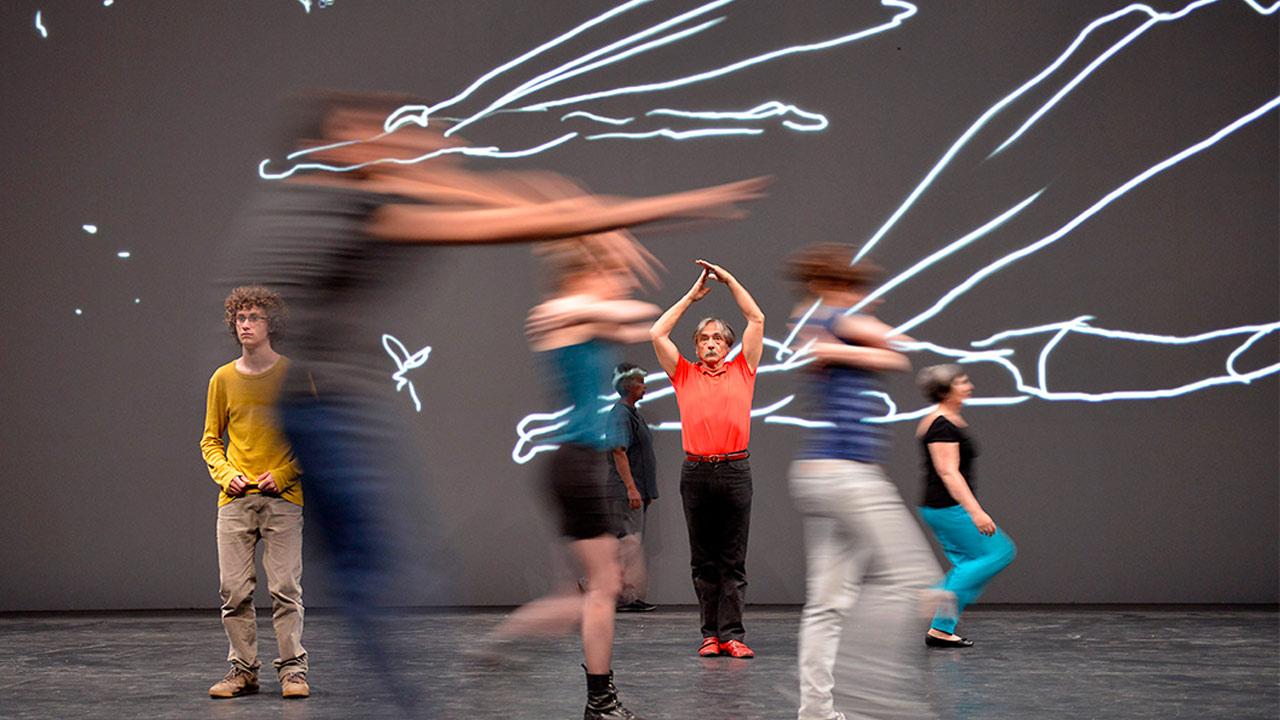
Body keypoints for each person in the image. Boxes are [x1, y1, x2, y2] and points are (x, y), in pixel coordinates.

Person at [226, 89, 766, 712]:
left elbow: (482, 198)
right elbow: (497, 217)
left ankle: (484, 675)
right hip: (330, 410)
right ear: (337, 141)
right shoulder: (354, 207)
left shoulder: (360, 199)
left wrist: (573, 203)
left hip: (341, 409)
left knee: (410, 584)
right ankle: (581, 696)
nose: (407, 143)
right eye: (381, 132)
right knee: (388, 584)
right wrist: (653, 209)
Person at [494, 245, 663, 719]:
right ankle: (601, 703)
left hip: (577, 466)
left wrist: (616, 259)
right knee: (604, 586)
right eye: (604, 273)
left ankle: (502, 643)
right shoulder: (563, 311)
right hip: (577, 466)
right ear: (584, 276)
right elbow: (633, 312)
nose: (614, 280)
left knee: (579, 594)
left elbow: (631, 317)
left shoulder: (584, 317)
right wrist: (620, 260)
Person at [785, 244, 940, 720]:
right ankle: (877, 698)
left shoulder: (821, 320)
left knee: (827, 604)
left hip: (818, 474)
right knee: (918, 579)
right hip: (847, 474)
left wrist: (832, 343)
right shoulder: (835, 315)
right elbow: (896, 351)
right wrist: (846, 334)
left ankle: (816, 711)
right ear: (844, 285)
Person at [199, 286, 309, 700]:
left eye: (254, 318)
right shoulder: (223, 379)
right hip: (235, 500)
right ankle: (242, 670)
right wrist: (227, 475)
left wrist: (282, 475)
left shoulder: (293, 376)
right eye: (240, 318)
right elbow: (210, 439)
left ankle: (293, 672)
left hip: (283, 500)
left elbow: (313, 441)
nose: (245, 324)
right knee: (234, 591)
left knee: (285, 589)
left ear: (271, 324)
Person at [649, 259, 763, 658]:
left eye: (717, 339)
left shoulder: (743, 369)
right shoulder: (684, 374)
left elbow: (756, 317)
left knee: (732, 559)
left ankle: (732, 634)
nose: (711, 344)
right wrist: (691, 298)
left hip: (734, 470)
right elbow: (657, 332)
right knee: (703, 560)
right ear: (696, 347)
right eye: (703, 339)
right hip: (696, 472)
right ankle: (709, 634)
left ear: (728, 346)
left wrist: (730, 279)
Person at [915, 364, 1017, 648]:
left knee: (967, 563)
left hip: (942, 506)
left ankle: (941, 629)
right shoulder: (941, 425)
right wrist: (976, 511)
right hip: (948, 507)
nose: (969, 386)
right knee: (999, 552)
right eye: (962, 382)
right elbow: (948, 472)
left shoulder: (948, 419)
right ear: (946, 390)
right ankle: (939, 593)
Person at [607, 362, 659, 613]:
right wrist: (631, 487)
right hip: (626, 491)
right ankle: (616, 594)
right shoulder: (620, 415)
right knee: (627, 543)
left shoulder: (632, 413)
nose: (644, 386)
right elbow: (619, 451)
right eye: (639, 381)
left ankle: (624, 595)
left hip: (638, 491)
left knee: (629, 544)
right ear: (626, 385)